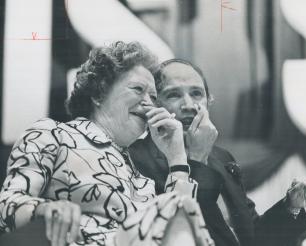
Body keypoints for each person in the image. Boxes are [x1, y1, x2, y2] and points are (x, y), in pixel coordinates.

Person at [0, 43, 214, 246]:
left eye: (153, 96)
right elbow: (6, 204)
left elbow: (177, 225)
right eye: (138, 89)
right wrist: (44, 210)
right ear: (99, 92)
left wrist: (176, 158)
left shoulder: (139, 173)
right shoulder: (52, 134)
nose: (149, 103)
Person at [129, 58, 306, 246]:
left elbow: (253, 237)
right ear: (155, 105)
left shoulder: (222, 157)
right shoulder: (136, 159)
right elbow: (181, 233)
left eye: (197, 94)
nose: (188, 105)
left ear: (209, 101)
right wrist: (198, 158)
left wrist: (291, 206)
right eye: (174, 94)